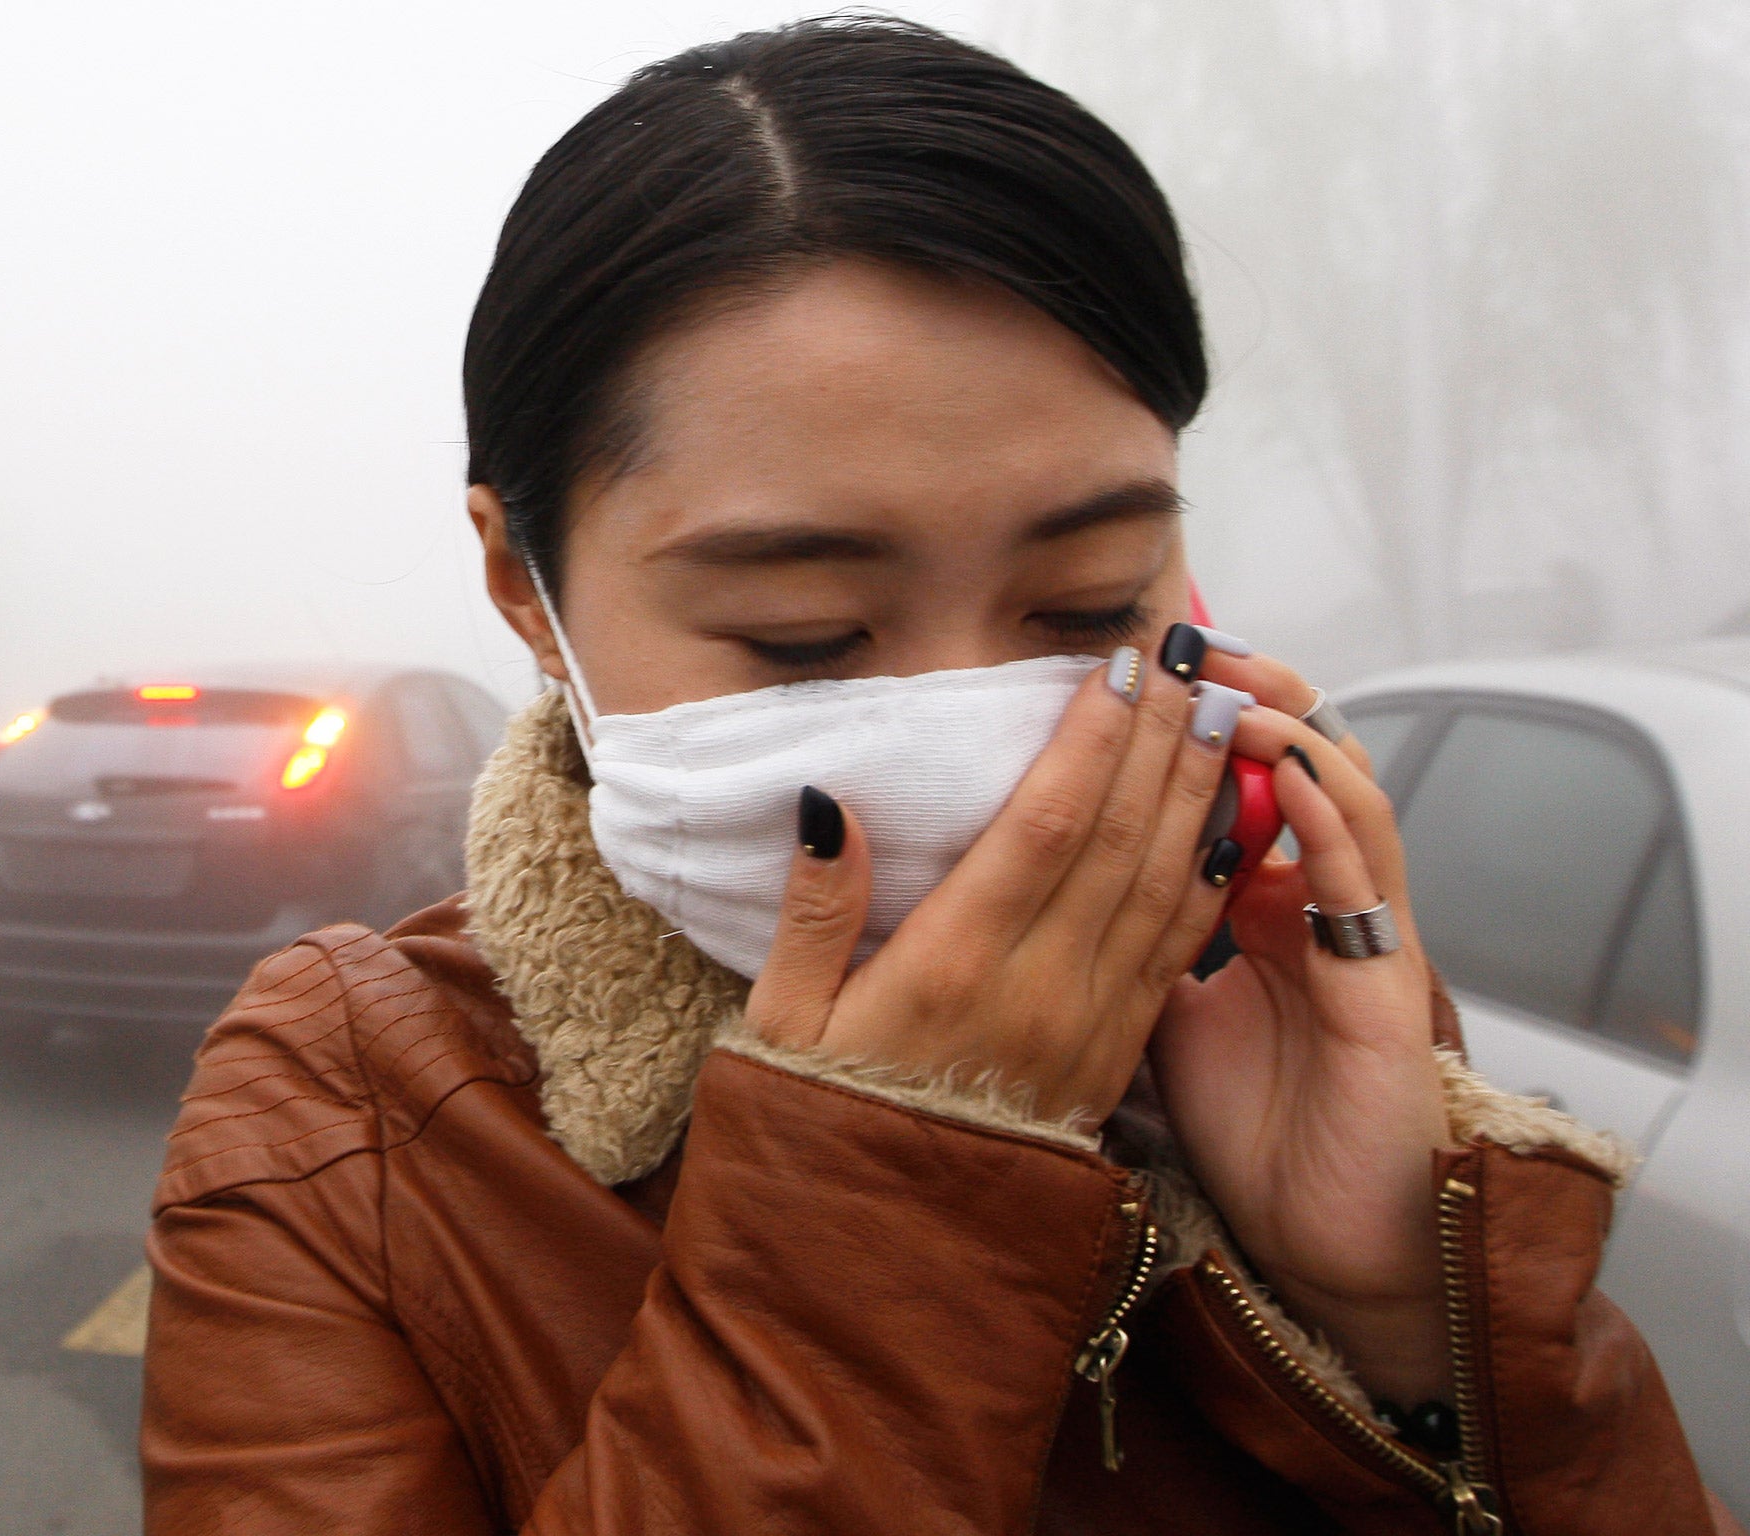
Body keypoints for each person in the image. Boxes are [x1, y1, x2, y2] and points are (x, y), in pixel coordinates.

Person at [140, 18, 1732, 1533]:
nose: (978, 755)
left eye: (1092, 601)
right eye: (804, 633)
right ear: (520, 586)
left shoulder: (1266, 998)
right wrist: (893, 1216)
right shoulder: (352, 1114)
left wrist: (1403, 1319)